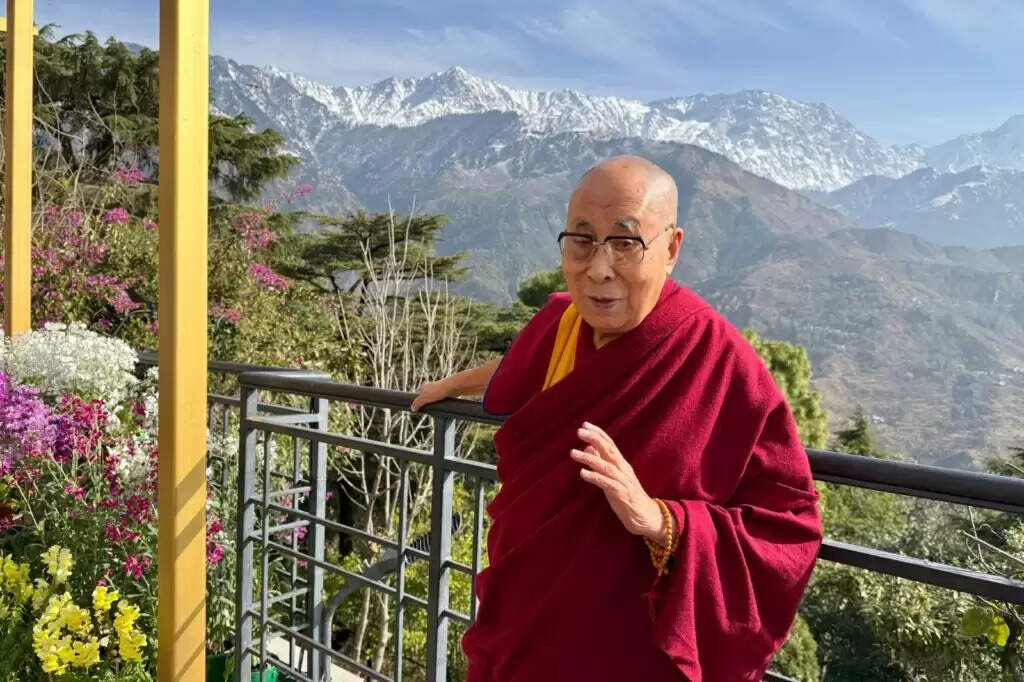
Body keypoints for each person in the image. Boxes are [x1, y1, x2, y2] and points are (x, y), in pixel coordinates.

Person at [411, 155, 822, 681]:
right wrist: (452, 385)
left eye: (626, 242)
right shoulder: (563, 324)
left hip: (628, 646)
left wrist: (661, 520)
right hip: (525, 619)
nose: (599, 268)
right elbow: (520, 366)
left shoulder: (716, 358)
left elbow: (789, 527)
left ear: (671, 249)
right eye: (582, 240)